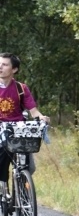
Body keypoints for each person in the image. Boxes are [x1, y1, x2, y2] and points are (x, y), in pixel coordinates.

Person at [0, 53, 50, 199]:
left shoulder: (21, 88)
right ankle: (3, 189)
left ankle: (21, 190)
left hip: (18, 129)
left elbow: (33, 111)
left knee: (29, 167)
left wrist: (41, 118)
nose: (0, 67)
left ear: (14, 69)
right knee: (2, 158)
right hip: (1, 129)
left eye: (5, 64)